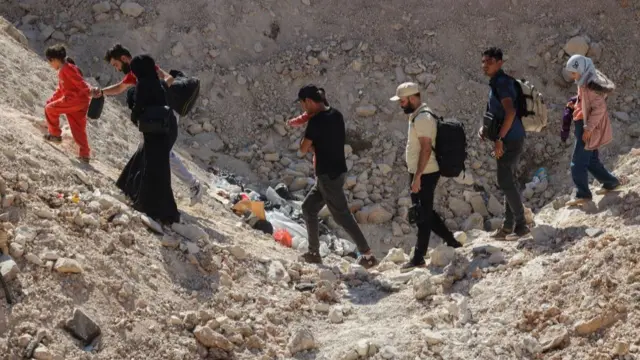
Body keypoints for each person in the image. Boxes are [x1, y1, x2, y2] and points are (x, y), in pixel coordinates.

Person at [90, 44, 203, 205]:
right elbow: (120, 88)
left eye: (116, 65)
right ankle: (137, 187)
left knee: (162, 152)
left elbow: (168, 79)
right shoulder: (132, 73)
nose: (116, 69)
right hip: (156, 115)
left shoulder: (144, 65)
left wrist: (154, 90)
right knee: (150, 149)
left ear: (123, 59)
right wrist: (102, 92)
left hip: (166, 112)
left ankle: (193, 185)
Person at [297, 85, 379, 268]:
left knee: (342, 216)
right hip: (337, 172)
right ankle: (313, 252)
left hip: (327, 176)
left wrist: (307, 138)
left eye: (303, 104)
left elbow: (303, 149)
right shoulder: (336, 115)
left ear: (308, 102)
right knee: (308, 207)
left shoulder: (316, 122)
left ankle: (368, 256)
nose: (303, 109)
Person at [389, 82, 462, 272]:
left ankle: (418, 257)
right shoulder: (418, 115)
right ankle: (451, 241)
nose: (401, 104)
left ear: (413, 98)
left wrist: (418, 177)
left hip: (426, 173)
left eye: (403, 101)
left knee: (422, 214)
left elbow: (426, 148)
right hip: (420, 172)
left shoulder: (423, 118)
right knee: (425, 211)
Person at [116, 54, 180, 225]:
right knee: (161, 170)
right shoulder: (159, 84)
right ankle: (166, 211)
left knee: (150, 169)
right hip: (166, 129)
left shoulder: (143, 84)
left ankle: (148, 206)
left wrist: (135, 117)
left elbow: (138, 108)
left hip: (153, 131)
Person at [478, 47, 530, 241]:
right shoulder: (496, 83)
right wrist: (485, 129)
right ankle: (508, 227)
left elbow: (510, 112)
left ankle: (521, 225)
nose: (485, 66)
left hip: (511, 139)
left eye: (489, 62)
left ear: (500, 62)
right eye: (483, 62)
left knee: (505, 181)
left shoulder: (502, 83)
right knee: (509, 181)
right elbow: (496, 111)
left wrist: (499, 139)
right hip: (509, 137)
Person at [563, 55, 626, 206]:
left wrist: (589, 128)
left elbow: (599, 108)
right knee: (591, 161)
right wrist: (576, 104)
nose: (572, 76)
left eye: (573, 72)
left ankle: (583, 194)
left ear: (580, 69)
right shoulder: (585, 80)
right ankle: (611, 183)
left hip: (587, 127)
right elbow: (586, 101)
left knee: (577, 163)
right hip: (583, 123)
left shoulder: (590, 85)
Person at [43, 44, 91, 163]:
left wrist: (89, 91)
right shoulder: (66, 69)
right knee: (78, 128)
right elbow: (61, 90)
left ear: (54, 59)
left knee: (50, 109)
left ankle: (55, 135)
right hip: (81, 102)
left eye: (50, 62)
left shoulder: (66, 68)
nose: (50, 65)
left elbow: (80, 82)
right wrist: (52, 100)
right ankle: (85, 154)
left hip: (74, 100)